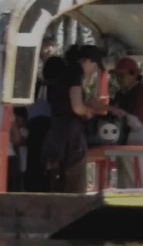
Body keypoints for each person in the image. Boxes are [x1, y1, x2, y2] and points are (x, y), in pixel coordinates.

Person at [41, 44, 106, 193]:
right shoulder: (75, 73)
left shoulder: (62, 74)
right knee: (74, 181)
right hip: (71, 135)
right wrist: (88, 111)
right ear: (88, 61)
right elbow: (76, 106)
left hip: (56, 132)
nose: (94, 71)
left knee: (56, 181)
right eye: (95, 66)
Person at [107, 57, 143, 188]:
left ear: (134, 74)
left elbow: (135, 120)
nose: (118, 78)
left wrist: (112, 109)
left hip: (138, 139)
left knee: (137, 179)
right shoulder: (121, 94)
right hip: (124, 140)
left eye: (121, 74)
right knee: (124, 179)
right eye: (117, 75)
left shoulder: (142, 94)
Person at [24, 55, 66, 192]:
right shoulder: (58, 89)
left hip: (32, 129)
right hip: (50, 129)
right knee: (50, 166)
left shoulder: (33, 87)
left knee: (33, 163)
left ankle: (31, 190)